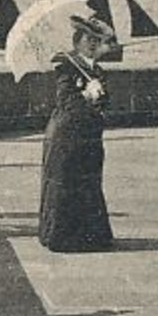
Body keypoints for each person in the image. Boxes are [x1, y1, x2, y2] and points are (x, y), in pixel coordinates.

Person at [38, 14, 116, 252]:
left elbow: (104, 104)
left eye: (97, 40)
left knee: (88, 185)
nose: (93, 44)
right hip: (66, 137)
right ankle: (62, 238)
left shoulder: (96, 70)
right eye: (88, 39)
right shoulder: (66, 68)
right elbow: (66, 102)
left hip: (88, 138)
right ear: (77, 41)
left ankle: (89, 238)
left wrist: (100, 95)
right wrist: (87, 95)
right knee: (67, 185)